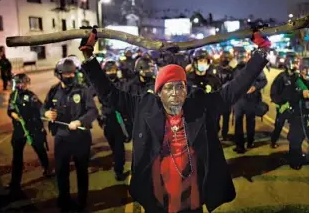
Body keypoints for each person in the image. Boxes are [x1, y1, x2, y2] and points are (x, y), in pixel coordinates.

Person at [80, 26, 271, 212]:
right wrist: (89, 56)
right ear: (159, 92)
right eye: (168, 88)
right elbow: (109, 93)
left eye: (180, 87)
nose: (175, 93)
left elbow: (234, 89)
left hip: (192, 198)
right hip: (157, 197)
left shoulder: (199, 106)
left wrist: (261, 52)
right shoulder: (143, 106)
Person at [43, 57, 98, 212]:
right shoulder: (53, 91)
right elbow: (44, 107)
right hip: (61, 137)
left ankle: (82, 200)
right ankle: (64, 199)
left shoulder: (82, 90)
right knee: (61, 171)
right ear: (59, 74)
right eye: (66, 74)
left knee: (81, 171)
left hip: (80, 138)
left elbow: (93, 111)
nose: (70, 76)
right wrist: (47, 113)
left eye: (72, 73)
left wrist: (80, 122)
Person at [7, 73, 52, 194]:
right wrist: (14, 115)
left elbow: (41, 108)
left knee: (40, 149)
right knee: (17, 158)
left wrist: (46, 114)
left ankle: (47, 168)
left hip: (33, 128)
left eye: (26, 82)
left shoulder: (31, 96)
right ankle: (15, 183)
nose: (26, 85)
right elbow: (10, 109)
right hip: (19, 129)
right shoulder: (13, 96)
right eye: (23, 83)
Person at [232, 52, 267, 153]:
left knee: (250, 122)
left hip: (252, 99)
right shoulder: (237, 68)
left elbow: (264, 81)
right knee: (238, 123)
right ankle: (239, 145)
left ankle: (250, 141)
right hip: (238, 100)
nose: (245, 59)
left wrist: (254, 87)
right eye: (243, 57)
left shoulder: (257, 69)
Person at [99, 59, 128, 180]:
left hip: (119, 119)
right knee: (113, 145)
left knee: (119, 146)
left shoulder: (123, 84)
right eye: (109, 70)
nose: (112, 72)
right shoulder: (100, 85)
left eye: (114, 70)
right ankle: (117, 160)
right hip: (107, 120)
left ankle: (119, 170)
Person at [270, 54, 300, 148]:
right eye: (293, 63)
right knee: (279, 125)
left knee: (295, 127)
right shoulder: (281, 77)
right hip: (283, 107)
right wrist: (279, 103)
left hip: (293, 106)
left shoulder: (297, 77)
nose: (295, 65)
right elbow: (274, 92)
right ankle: (273, 141)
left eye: (296, 63)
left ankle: (293, 146)